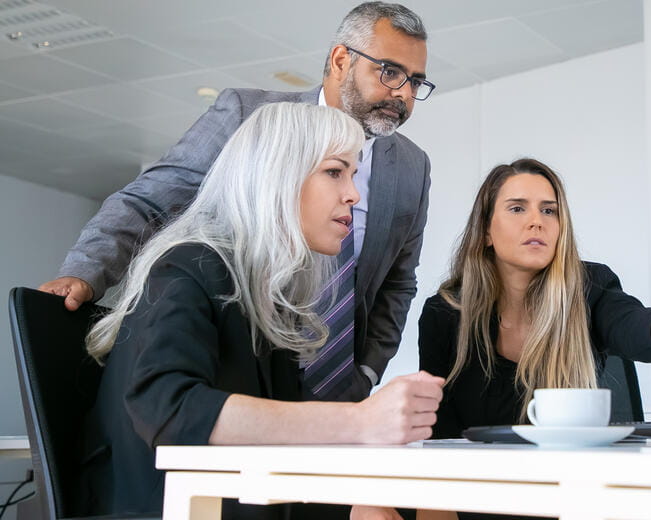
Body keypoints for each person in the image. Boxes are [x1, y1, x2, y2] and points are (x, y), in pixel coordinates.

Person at [39, 1, 434, 401]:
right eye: (389, 71)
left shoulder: (411, 167)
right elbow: (149, 203)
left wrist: (366, 373)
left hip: (334, 387)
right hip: (233, 369)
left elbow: (397, 284)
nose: (403, 94)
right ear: (340, 60)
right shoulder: (251, 117)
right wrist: (84, 272)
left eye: (415, 82)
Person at [78, 102, 444, 520]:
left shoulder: (269, 295)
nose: (354, 193)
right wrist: (360, 421)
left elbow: (284, 432)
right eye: (334, 171)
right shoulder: (187, 266)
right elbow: (171, 411)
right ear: (279, 174)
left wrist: (357, 498)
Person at [418, 158, 651, 520]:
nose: (537, 221)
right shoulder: (445, 313)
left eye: (550, 210)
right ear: (485, 230)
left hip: (575, 502)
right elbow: (437, 438)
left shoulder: (589, 288)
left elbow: (633, 322)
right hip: (480, 504)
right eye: (517, 208)